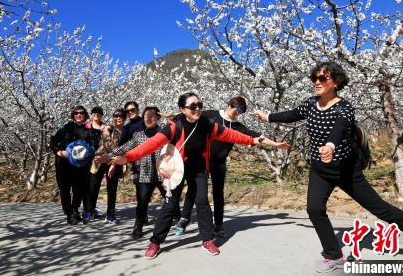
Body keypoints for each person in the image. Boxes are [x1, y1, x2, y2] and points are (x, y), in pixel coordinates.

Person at [254, 61, 403, 272]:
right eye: (314, 78)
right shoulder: (311, 104)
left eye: (322, 78)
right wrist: (269, 117)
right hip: (320, 170)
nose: (316, 82)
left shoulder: (344, 107)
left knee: (381, 209)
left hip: (347, 171)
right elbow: (293, 114)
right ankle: (334, 255)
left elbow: (340, 127)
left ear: (336, 82)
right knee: (314, 209)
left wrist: (330, 145)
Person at [110, 92, 287, 259]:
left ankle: (207, 239)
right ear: (182, 109)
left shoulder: (207, 124)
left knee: (202, 202)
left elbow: (230, 134)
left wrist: (252, 140)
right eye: (192, 106)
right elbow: (151, 144)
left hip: (199, 168)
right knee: (170, 205)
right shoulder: (174, 126)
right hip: (177, 168)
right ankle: (155, 242)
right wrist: (127, 158)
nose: (197, 109)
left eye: (199, 105)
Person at [175, 96, 281, 238]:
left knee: (218, 194)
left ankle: (218, 225)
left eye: (240, 110)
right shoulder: (211, 115)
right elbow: (189, 116)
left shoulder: (237, 127)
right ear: (228, 104)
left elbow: (257, 137)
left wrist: (276, 144)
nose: (235, 110)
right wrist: (173, 115)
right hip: (202, 160)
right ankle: (184, 219)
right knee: (194, 190)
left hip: (219, 163)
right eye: (233, 106)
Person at [98, 106, 171, 240]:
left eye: (152, 116)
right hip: (146, 174)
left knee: (170, 198)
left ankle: (178, 219)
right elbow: (124, 148)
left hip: (163, 173)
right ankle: (138, 226)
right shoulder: (139, 136)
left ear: (158, 117)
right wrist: (108, 157)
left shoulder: (165, 134)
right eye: (146, 117)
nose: (148, 119)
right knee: (142, 201)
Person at [50, 106, 100, 225]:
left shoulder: (89, 129)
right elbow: (53, 141)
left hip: (81, 166)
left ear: (85, 115)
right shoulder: (66, 128)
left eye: (81, 113)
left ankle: (75, 209)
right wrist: (58, 151)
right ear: (73, 115)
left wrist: (90, 151)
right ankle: (69, 213)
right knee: (65, 189)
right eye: (76, 113)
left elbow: (95, 144)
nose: (79, 115)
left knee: (79, 189)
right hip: (64, 164)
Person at [85, 106, 119, 223]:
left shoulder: (107, 128)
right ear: (91, 114)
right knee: (93, 186)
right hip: (94, 161)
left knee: (112, 186)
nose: (96, 114)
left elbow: (112, 144)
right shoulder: (86, 127)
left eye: (99, 113)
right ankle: (90, 210)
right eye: (94, 112)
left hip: (107, 159)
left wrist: (112, 160)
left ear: (102, 115)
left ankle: (110, 212)